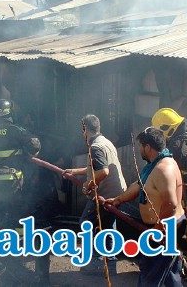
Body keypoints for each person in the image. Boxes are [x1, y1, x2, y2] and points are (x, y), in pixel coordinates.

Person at [0, 99, 53, 285]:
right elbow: (34, 147)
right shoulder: (17, 131)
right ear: (9, 114)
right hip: (11, 182)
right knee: (17, 214)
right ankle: (18, 248)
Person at [105, 127, 186, 287]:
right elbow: (139, 185)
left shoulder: (163, 169)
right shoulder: (154, 165)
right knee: (169, 277)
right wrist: (118, 199)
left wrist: (157, 229)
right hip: (165, 228)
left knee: (150, 276)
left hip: (165, 230)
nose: (140, 149)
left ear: (148, 147)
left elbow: (171, 204)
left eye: (141, 146)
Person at [63, 114, 127, 276]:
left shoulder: (96, 146)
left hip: (105, 194)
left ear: (85, 128)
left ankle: (91, 262)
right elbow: (96, 167)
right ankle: (110, 264)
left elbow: (103, 171)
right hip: (117, 192)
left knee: (86, 223)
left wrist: (88, 184)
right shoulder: (105, 142)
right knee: (107, 226)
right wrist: (75, 172)